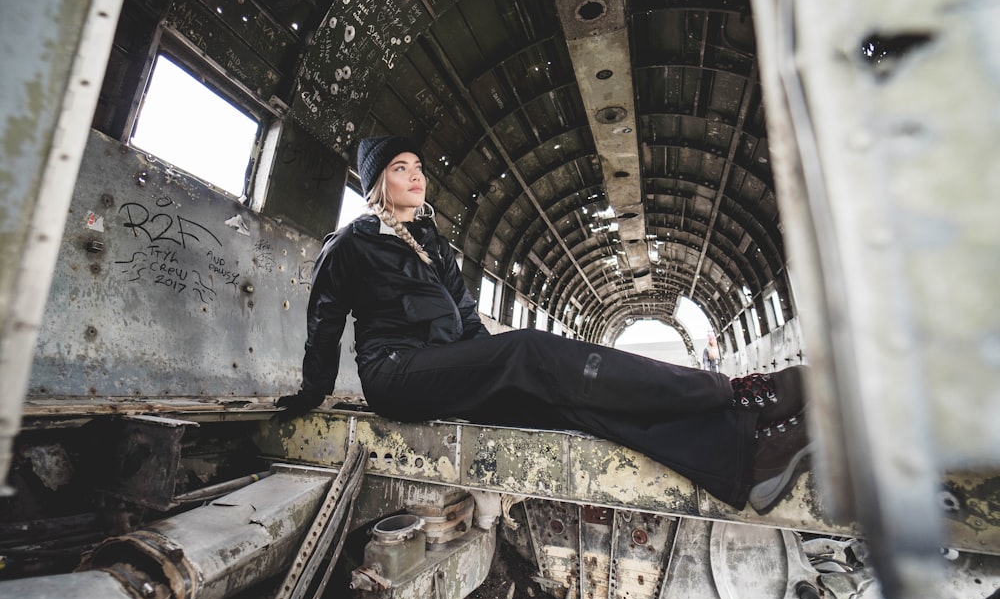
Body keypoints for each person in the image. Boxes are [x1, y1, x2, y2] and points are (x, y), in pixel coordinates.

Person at [277, 136, 813, 515]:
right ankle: (736, 394)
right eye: (400, 167)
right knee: (528, 352)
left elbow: (466, 317)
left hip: (446, 370)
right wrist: (312, 392)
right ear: (376, 184)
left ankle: (744, 454)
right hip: (395, 374)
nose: (416, 174)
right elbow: (324, 317)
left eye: (417, 164)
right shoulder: (352, 243)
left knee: (566, 403)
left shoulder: (432, 243)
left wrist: (492, 373)